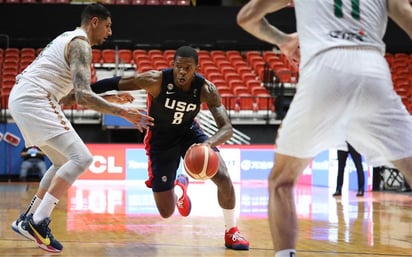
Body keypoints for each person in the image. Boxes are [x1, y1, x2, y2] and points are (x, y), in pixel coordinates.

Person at [237, 1, 412, 256]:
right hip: (372, 68)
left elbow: (247, 17)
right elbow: (407, 16)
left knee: (281, 182)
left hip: (324, 67)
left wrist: (283, 40)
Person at [9, 3, 153, 253]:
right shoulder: (80, 44)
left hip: (26, 98)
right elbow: (84, 96)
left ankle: (27, 218)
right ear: (94, 22)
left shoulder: (68, 39)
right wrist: (122, 113)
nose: (109, 33)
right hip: (35, 98)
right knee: (82, 158)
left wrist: (109, 99)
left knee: (62, 161)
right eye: (107, 26)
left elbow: (69, 98)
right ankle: (38, 221)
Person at [89, 45, 250, 250]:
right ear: (173, 65)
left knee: (224, 177)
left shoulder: (205, 89)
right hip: (160, 139)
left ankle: (232, 232)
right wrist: (84, 90)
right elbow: (116, 82)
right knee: (166, 211)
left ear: (196, 69)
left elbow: (227, 128)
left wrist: (207, 144)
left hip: (189, 132)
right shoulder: (156, 80)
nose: (182, 72)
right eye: (178, 66)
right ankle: (179, 186)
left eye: (188, 68)